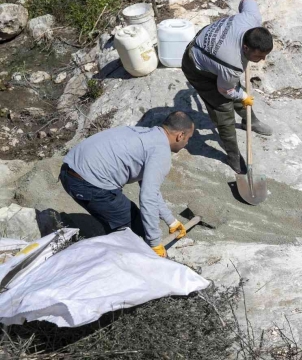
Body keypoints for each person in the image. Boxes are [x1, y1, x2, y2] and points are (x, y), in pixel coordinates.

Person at [59, 111, 195, 257]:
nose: (187, 143)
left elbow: (150, 189)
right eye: (188, 138)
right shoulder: (161, 152)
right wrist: (154, 243)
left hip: (69, 170)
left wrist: (171, 221)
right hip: (88, 183)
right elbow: (147, 198)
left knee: (130, 219)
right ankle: (121, 262)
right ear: (180, 135)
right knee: (130, 231)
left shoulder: (146, 134)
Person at [181, 0, 273, 174]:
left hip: (214, 55)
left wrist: (241, 95)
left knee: (238, 91)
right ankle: (233, 155)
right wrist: (243, 96)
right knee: (223, 110)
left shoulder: (251, 17)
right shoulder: (232, 65)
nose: (263, 60)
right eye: (259, 56)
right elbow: (226, 90)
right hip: (197, 66)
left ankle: (250, 121)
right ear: (245, 48)